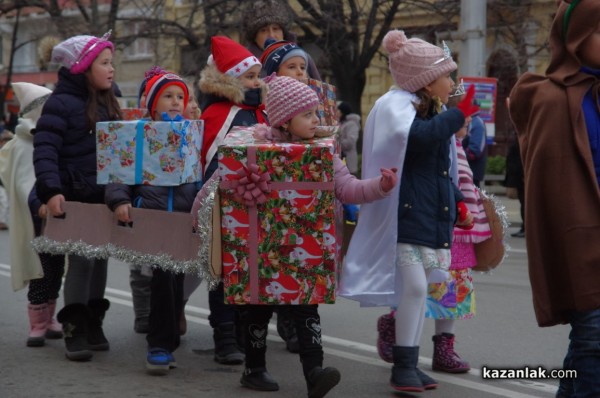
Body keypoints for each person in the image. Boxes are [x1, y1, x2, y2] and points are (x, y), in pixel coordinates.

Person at [229, 75, 397, 397]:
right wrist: (199, 211)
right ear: (284, 120)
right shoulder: (253, 149)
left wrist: (380, 185)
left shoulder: (324, 154)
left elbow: (348, 188)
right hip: (262, 247)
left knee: (307, 308)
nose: (316, 120)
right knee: (259, 308)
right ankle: (254, 368)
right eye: (307, 115)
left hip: (306, 245)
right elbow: (220, 184)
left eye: (316, 113)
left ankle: (315, 374)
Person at [339, 30, 478, 393]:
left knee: (420, 291)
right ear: (427, 81)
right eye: (447, 76)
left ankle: (409, 365)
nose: (452, 82)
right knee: (415, 287)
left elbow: (441, 166)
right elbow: (417, 139)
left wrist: (458, 202)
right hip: (405, 214)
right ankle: (403, 367)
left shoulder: (432, 111)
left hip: (428, 214)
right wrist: (455, 118)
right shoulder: (396, 106)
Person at [508, 1, 600, 396]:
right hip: (581, 245)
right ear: (577, 36)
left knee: (587, 348)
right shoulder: (549, 98)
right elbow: (550, 192)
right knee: (594, 340)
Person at [33, 31, 121, 361]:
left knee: (99, 262)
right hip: (74, 196)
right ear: (83, 67)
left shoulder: (110, 100)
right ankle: (73, 327)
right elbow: (44, 150)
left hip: (103, 197)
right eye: (104, 63)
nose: (111, 69)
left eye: (112, 62)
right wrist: (51, 190)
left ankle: (93, 322)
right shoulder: (60, 103)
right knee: (82, 261)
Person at [105, 70, 195, 375]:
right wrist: (120, 200)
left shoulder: (191, 134)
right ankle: (157, 345)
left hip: (182, 219)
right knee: (160, 278)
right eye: (168, 96)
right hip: (151, 217)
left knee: (176, 280)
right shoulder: (138, 133)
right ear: (153, 103)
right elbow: (119, 172)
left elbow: (199, 176)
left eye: (180, 97)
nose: (175, 102)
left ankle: (167, 340)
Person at [197, 35, 266, 365]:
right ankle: (224, 335)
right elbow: (208, 161)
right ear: (229, 80)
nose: (256, 82)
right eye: (249, 76)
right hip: (223, 206)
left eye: (257, 76)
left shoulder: (261, 112)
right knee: (222, 271)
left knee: (248, 271)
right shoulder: (219, 115)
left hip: (257, 208)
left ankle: (242, 331)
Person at [0, 82, 66, 347]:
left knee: (57, 270)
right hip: (36, 221)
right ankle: (37, 324)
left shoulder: (54, 139)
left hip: (57, 219)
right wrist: (38, 201)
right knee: (40, 272)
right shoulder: (22, 143)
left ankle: (50, 317)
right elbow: (20, 182)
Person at [425, 123, 491, 373]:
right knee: (414, 285)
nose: (468, 124)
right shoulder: (435, 135)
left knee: (453, 291)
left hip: (459, 230)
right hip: (432, 224)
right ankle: (397, 337)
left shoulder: (458, 145)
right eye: (462, 118)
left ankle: (444, 348)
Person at [241, 0, 321, 79]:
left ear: (283, 32)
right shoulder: (245, 64)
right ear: (255, 37)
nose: (271, 35)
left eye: (275, 29)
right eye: (263, 30)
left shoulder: (303, 58)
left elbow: (321, 90)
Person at [504, 132, 525, 238]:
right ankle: (524, 227)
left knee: (525, 203)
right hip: (517, 175)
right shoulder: (518, 136)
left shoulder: (524, 136)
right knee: (523, 203)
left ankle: (526, 228)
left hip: (522, 176)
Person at [461, 106, 487, 188]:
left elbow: (475, 150)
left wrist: (459, 156)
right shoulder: (469, 120)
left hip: (473, 170)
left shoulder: (477, 122)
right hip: (466, 169)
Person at [337, 102, 360, 175]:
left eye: (338, 110)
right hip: (342, 162)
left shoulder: (352, 124)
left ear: (342, 112)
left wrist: (337, 144)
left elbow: (350, 142)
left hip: (349, 163)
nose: (336, 112)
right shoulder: (341, 123)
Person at [0, 130, 13, 230]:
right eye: (5, 140)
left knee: (6, 201)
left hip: (7, 182)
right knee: (3, 200)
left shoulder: (12, 153)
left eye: (9, 140)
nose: (6, 142)